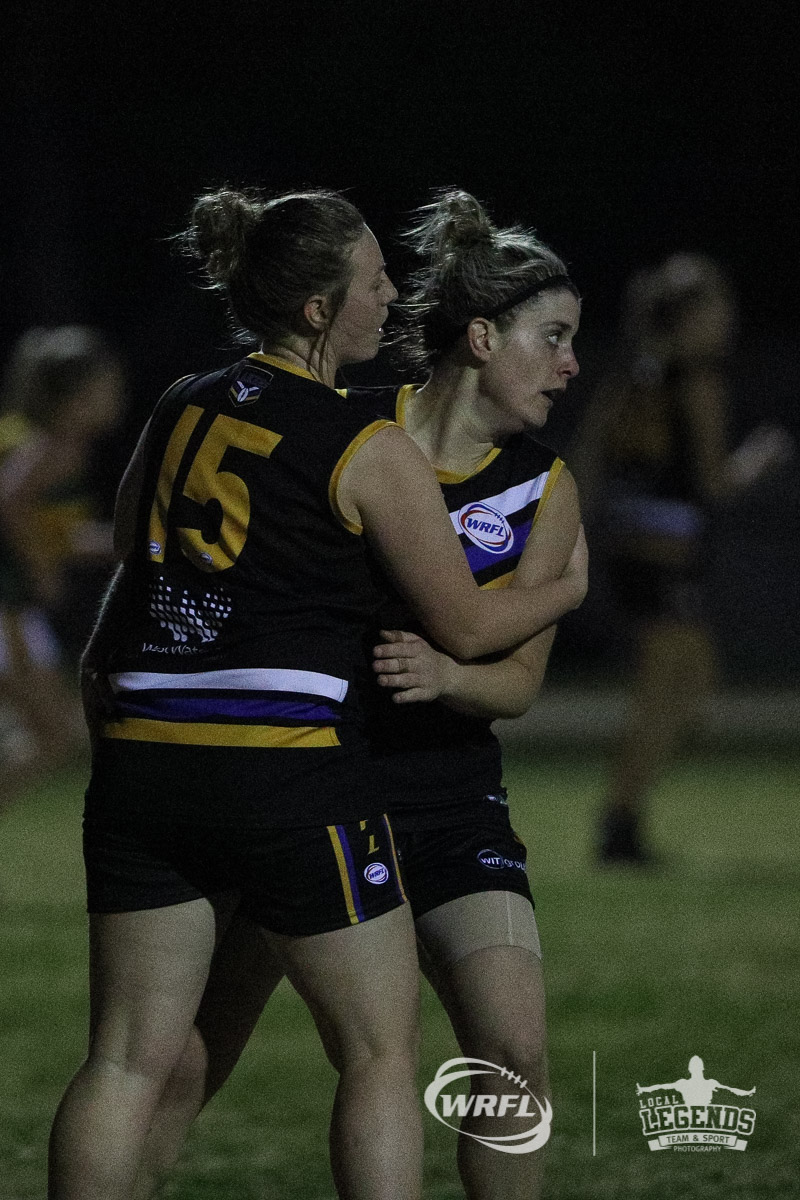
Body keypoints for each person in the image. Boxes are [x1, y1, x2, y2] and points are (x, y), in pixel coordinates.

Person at [48, 187, 587, 1200]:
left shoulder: (183, 401)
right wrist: (566, 587)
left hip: (151, 768)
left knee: (126, 1059)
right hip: (290, 778)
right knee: (379, 1054)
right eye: (372, 280)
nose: (389, 296)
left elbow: (137, 551)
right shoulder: (362, 441)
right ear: (315, 310)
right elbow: (469, 626)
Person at [571, 252, 792, 865]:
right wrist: (763, 458)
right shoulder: (698, 379)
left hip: (632, 549)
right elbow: (717, 481)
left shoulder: (635, 371)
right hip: (670, 553)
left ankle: (623, 818)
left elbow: (589, 455)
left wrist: (585, 524)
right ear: (692, 314)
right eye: (720, 307)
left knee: (682, 686)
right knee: (676, 691)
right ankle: (619, 824)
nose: (729, 319)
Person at [0, 326, 124, 812]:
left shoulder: (36, 442)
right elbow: (9, 505)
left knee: (51, 734)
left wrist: (127, 546)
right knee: (55, 735)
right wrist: (40, 573)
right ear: (73, 398)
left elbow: (55, 535)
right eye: (106, 389)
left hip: (16, 610)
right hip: (10, 610)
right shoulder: (53, 448)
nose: (116, 400)